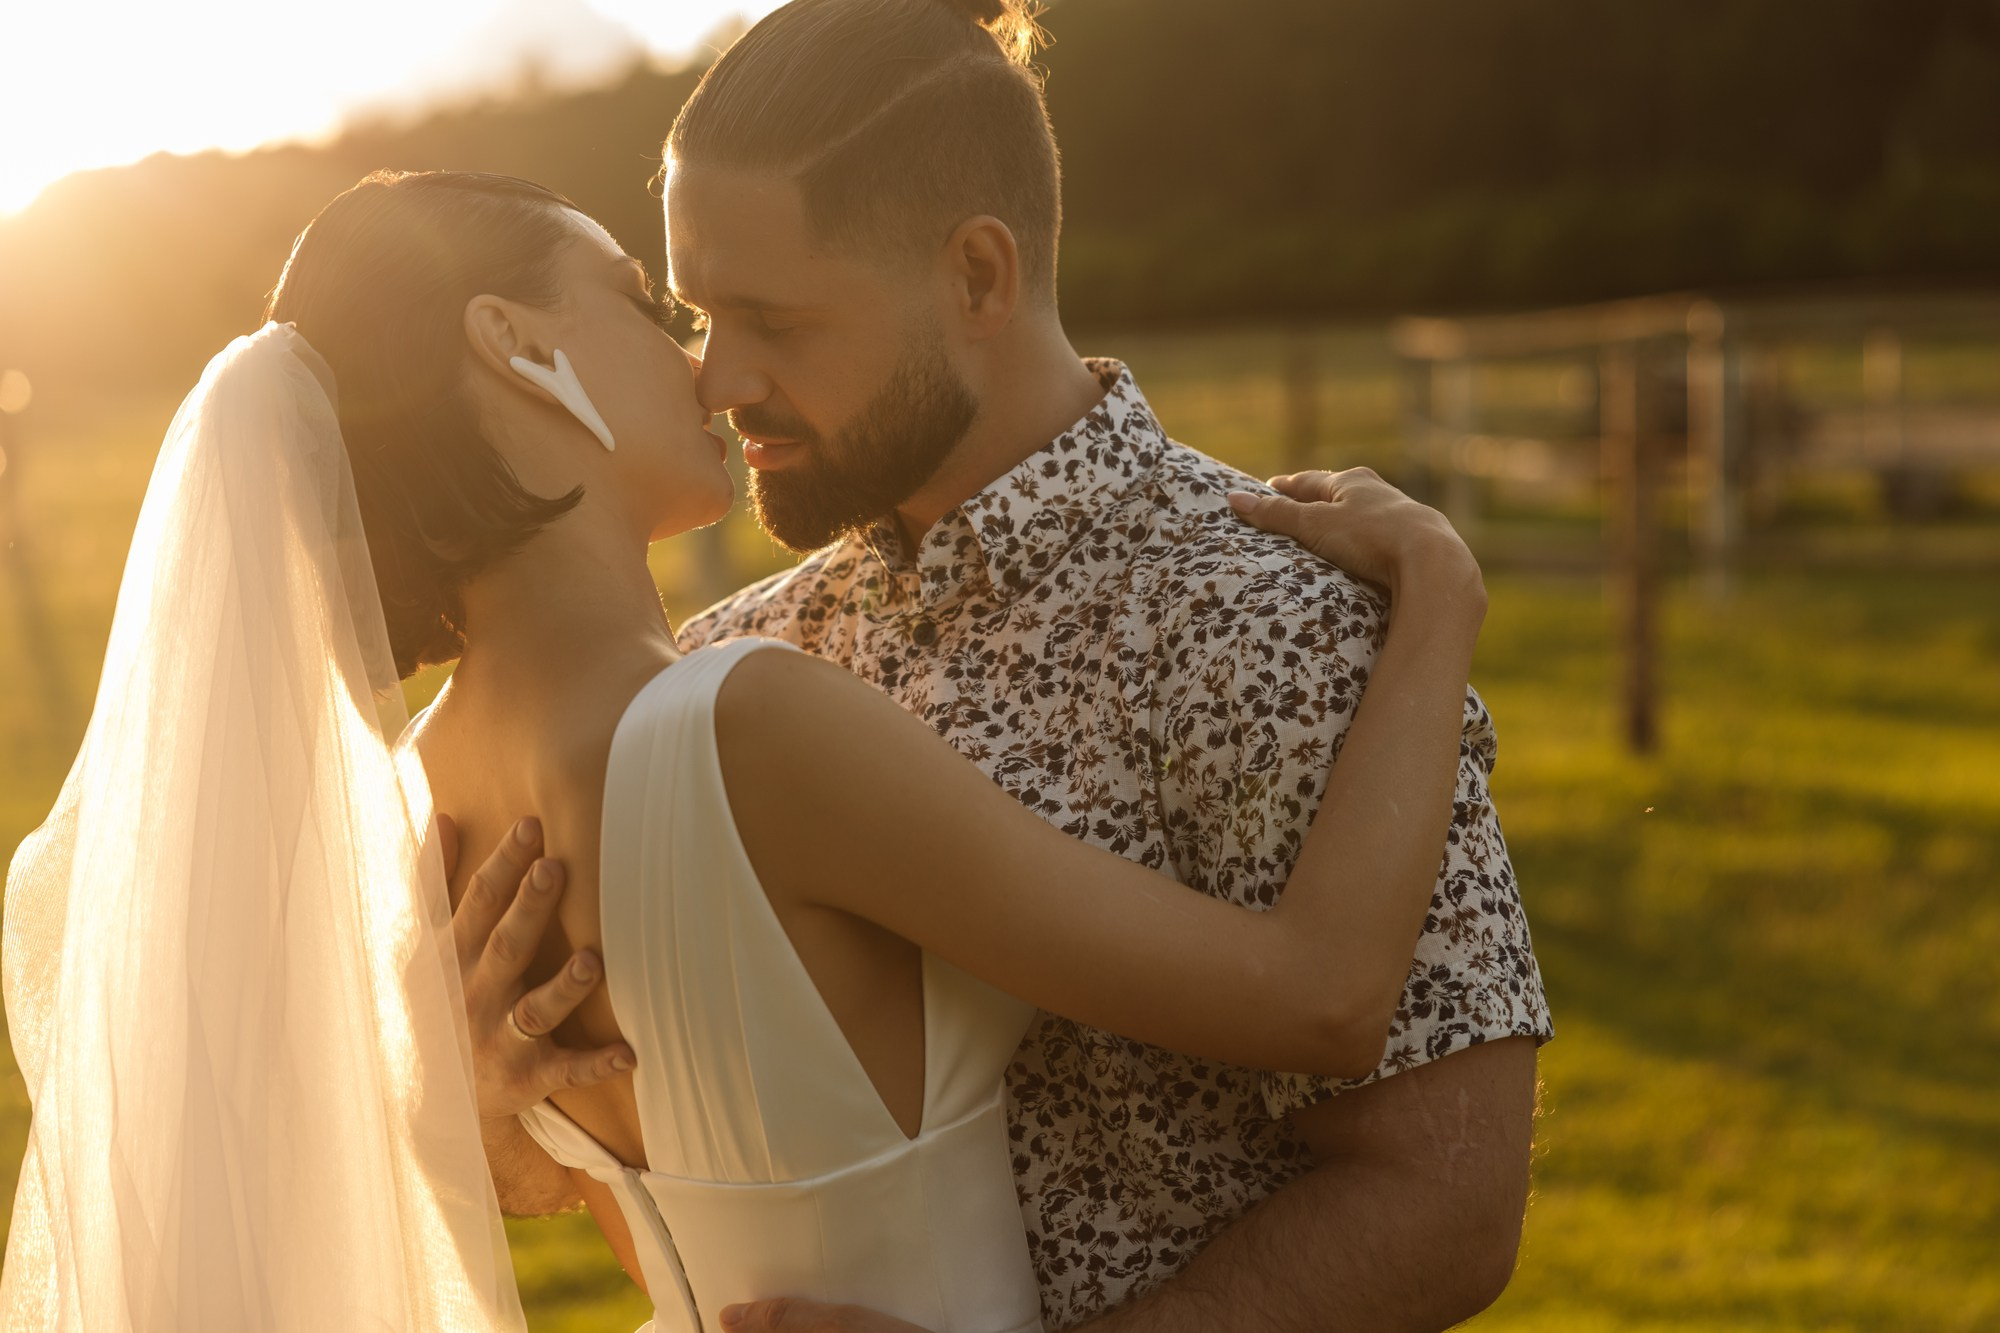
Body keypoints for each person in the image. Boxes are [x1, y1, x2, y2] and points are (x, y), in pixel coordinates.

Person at [3, 164, 1493, 1331]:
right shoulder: (754, 724)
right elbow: (1320, 996)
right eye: (646, 306)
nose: (709, 371)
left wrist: (474, 1111)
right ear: (516, 348)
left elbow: (674, 1187)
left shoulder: (411, 802)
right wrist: (1435, 601)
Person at [641, 1, 1553, 1329]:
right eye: (698, 314)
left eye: (773, 321)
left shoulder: (1280, 624)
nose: (719, 381)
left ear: (976, 277)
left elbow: (1448, 1199)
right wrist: (505, 1098)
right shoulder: (723, 664)